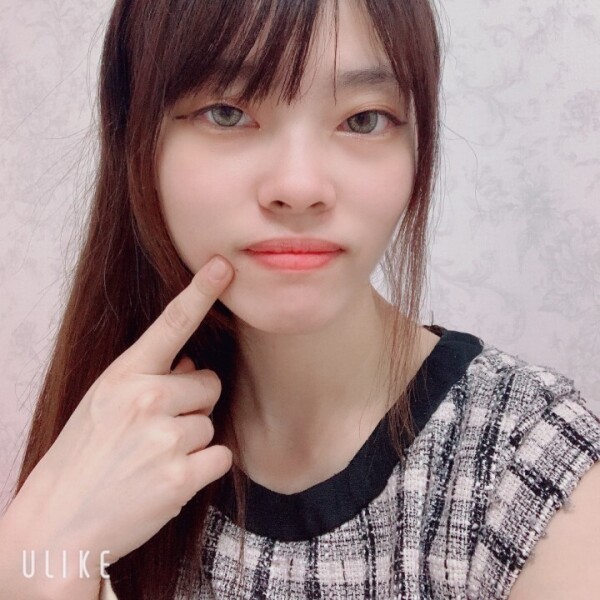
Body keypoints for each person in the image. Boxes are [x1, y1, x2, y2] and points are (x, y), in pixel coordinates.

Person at [0, 0, 599, 598]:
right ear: (136, 139)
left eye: (363, 119)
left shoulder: (532, 470)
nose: (299, 187)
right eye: (228, 113)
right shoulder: (106, 440)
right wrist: (44, 551)